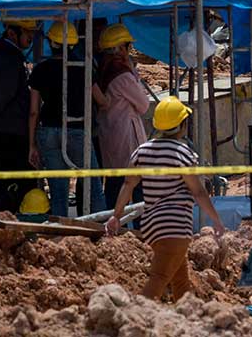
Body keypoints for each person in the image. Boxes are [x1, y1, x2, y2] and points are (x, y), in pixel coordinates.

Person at [106, 96, 226, 301]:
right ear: (182, 125)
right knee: (159, 278)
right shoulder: (183, 154)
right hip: (176, 225)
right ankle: (136, 318)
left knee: (180, 280)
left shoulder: (141, 151)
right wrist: (216, 220)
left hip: (153, 227)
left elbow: (128, 185)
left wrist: (116, 216)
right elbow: (198, 192)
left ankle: (187, 318)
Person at [28, 22, 106, 217]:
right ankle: (102, 233)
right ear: (73, 43)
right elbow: (102, 101)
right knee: (93, 185)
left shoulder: (40, 69)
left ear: (51, 42)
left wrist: (32, 145)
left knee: (58, 190)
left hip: (49, 131)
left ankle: (59, 235)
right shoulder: (84, 67)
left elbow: (33, 112)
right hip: (78, 130)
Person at [0, 18, 39, 213]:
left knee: (9, 182)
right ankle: (3, 219)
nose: (31, 37)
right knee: (10, 185)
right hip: (8, 132)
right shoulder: (8, 58)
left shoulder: (3, 55)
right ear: (12, 33)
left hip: (3, 129)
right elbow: (2, 96)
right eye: (27, 32)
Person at [96, 23, 151, 207]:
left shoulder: (101, 70)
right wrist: (133, 73)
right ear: (120, 48)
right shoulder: (123, 75)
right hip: (127, 137)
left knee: (113, 184)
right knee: (135, 186)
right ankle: (138, 229)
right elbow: (143, 105)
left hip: (109, 134)